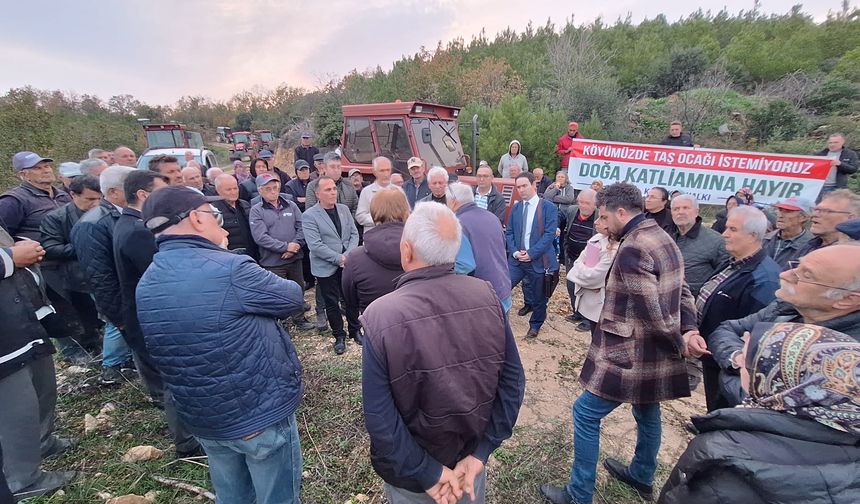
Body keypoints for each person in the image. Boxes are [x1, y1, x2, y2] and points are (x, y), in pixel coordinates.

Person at [136, 186, 305, 504]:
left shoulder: (148, 281)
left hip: (204, 417)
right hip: (257, 413)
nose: (221, 223)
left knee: (232, 495)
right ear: (197, 220)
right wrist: (224, 254)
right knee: (278, 497)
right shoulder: (231, 269)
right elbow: (292, 297)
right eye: (214, 216)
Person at [539, 182, 702, 504]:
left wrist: (680, 341)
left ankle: (578, 494)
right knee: (647, 409)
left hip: (628, 354)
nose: (602, 223)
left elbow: (653, 312)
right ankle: (642, 474)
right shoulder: (662, 236)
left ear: (622, 212)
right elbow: (682, 291)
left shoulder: (633, 248)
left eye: (604, 216)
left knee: (585, 413)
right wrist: (689, 328)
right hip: (652, 351)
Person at [361, 202, 525, 504]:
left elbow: (380, 417)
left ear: (406, 251)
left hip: (413, 478)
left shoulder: (380, 317)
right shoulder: (486, 295)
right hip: (468, 464)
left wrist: (427, 472)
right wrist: (481, 452)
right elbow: (513, 382)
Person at [658, 322, 860, 504]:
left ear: (778, 380)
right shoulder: (848, 443)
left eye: (748, 361)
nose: (739, 366)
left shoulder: (722, 455)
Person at [112, 171, 200, 455]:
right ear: (143, 194)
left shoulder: (127, 223)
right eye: (162, 191)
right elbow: (167, 274)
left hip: (145, 315)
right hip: (154, 318)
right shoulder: (138, 231)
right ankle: (187, 441)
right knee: (173, 381)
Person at [707, 244, 860, 407]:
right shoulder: (783, 308)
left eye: (807, 275)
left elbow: (788, 414)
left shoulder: (851, 358)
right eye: (797, 266)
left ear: (847, 300)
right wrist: (738, 359)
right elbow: (726, 330)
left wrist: (751, 371)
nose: (785, 275)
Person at [0, 227, 77, 499]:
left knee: (42, 391)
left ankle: (43, 441)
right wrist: (9, 257)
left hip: (24, 322)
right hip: (4, 345)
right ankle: (23, 478)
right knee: (14, 410)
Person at [695, 205, 780, 411]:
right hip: (712, 351)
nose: (724, 234)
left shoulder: (764, 279)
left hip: (731, 362)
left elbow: (756, 329)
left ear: (752, 236)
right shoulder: (733, 263)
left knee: (724, 407)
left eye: (733, 230)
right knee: (713, 405)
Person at [70, 166, 135, 385]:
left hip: (127, 286)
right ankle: (112, 367)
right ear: (114, 192)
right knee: (116, 325)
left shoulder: (123, 214)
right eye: (131, 186)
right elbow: (99, 275)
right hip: (114, 290)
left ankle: (126, 360)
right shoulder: (93, 224)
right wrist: (118, 315)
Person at [39, 175, 103, 363]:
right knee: (78, 315)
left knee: (98, 314)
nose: (96, 203)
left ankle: (98, 343)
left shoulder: (103, 212)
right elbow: (49, 248)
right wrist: (83, 246)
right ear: (73, 195)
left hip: (99, 272)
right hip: (74, 275)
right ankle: (79, 350)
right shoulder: (56, 218)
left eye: (99, 198)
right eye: (90, 199)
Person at [303, 177, 361, 354]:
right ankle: (339, 335)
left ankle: (354, 330)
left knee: (351, 299)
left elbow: (354, 234)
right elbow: (315, 245)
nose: (332, 192)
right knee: (331, 303)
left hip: (346, 264)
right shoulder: (310, 216)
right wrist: (339, 259)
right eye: (327, 190)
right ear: (318, 193)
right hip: (326, 267)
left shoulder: (343, 209)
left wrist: (347, 255)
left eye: (334, 189)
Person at [249, 173, 314, 331]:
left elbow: (302, 226)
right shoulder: (256, 211)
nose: (273, 191)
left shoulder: (290, 205)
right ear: (260, 191)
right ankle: (282, 323)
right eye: (268, 188)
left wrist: (295, 246)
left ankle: (299, 318)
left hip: (295, 258)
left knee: (298, 289)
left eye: (275, 187)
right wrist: (285, 247)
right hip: (273, 262)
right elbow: (260, 237)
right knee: (278, 294)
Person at [505, 173, 559, 339]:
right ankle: (499, 318)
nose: (521, 190)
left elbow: (549, 235)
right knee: (502, 286)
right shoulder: (516, 207)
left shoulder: (548, 207)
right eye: (518, 187)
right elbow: (510, 232)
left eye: (524, 186)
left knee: (539, 297)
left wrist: (531, 253)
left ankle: (535, 325)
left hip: (537, 261)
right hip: (516, 260)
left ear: (533, 185)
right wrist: (515, 251)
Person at [447, 183, 513, 313]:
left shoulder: (459, 224)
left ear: (453, 201)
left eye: (447, 201)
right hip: (502, 289)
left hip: (483, 299)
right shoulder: (492, 217)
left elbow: (464, 265)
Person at [342, 188, 408, 315]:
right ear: (406, 212)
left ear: (373, 214)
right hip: (418, 329)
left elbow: (350, 300)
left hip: (375, 326)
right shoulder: (424, 252)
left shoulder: (355, 259)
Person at [0, 152, 70, 241]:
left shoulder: (63, 195)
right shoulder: (13, 200)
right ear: (23, 175)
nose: (46, 171)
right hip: (41, 253)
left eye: (47, 166)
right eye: (38, 168)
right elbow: (3, 237)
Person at [566, 212, 617, 333]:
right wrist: (585, 276)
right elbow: (577, 264)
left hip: (603, 307)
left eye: (603, 218)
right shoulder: (596, 239)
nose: (596, 222)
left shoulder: (615, 248)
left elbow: (592, 277)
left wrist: (582, 273)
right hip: (591, 302)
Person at [670, 194, 729, 297]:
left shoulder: (716, 241)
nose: (680, 212)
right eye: (676, 209)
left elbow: (724, 276)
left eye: (686, 208)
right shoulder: (666, 238)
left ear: (696, 212)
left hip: (696, 303)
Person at [562, 189, 598, 324]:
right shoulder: (572, 211)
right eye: (581, 202)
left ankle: (588, 319)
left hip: (590, 261)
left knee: (587, 289)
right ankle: (576, 312)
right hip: (571, 256)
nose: (583, 206)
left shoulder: (599, 216)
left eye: (587, 203)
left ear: (595, 204)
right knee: (571, 285)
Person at [796, 189, 860, 258]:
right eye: (816, 210)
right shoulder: (809, 245)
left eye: (825, 211)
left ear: (851, 218)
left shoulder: (852, 255)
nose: (814, 215)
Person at [762, 196, 814, 269]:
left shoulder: (812, 246)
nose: (780, 215)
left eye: (788, 211)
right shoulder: (764, 238)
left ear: (803, 217)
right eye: (780, 210)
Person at [356, 157, 396, 232]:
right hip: (374, 236)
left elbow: (406, 214)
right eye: (382, 171)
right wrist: (380, 220)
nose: (386, 174)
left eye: (388, 170)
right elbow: (360, 217)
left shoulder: (398, 191)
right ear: (374, 172)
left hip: (394, 235)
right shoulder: (366, 191)